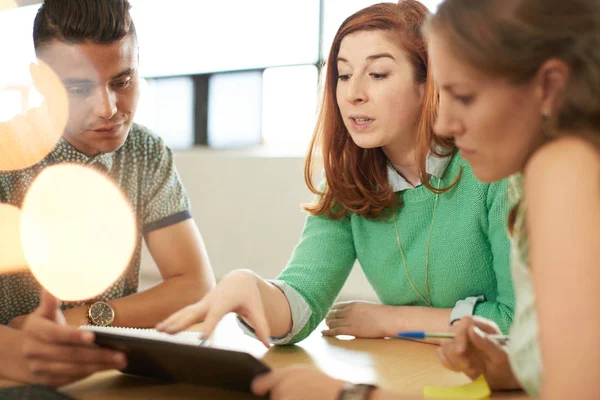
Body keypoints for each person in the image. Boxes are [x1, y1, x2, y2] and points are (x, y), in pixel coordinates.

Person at [160, 0, 513, 363]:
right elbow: (302, 303)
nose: (352, 93)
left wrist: (389, 320)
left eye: (377, 74)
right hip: (413, 375)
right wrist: (251, 288)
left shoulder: (491, 172)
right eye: (344, 75)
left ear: (429, 83)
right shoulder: (350, 182)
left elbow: (514, 323)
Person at [0, 0, 216, 387]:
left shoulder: (145, 152)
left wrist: (84, 317)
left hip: (106, 378)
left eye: (122, 81)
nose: (107, 108)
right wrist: (15, 349)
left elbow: (194, 285)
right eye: (79, 88)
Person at [425, 0, 600, 398]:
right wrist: (519, 367)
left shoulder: (565, 166)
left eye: (464, 96)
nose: (442, 124)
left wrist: (352, 395)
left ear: (550, 86)